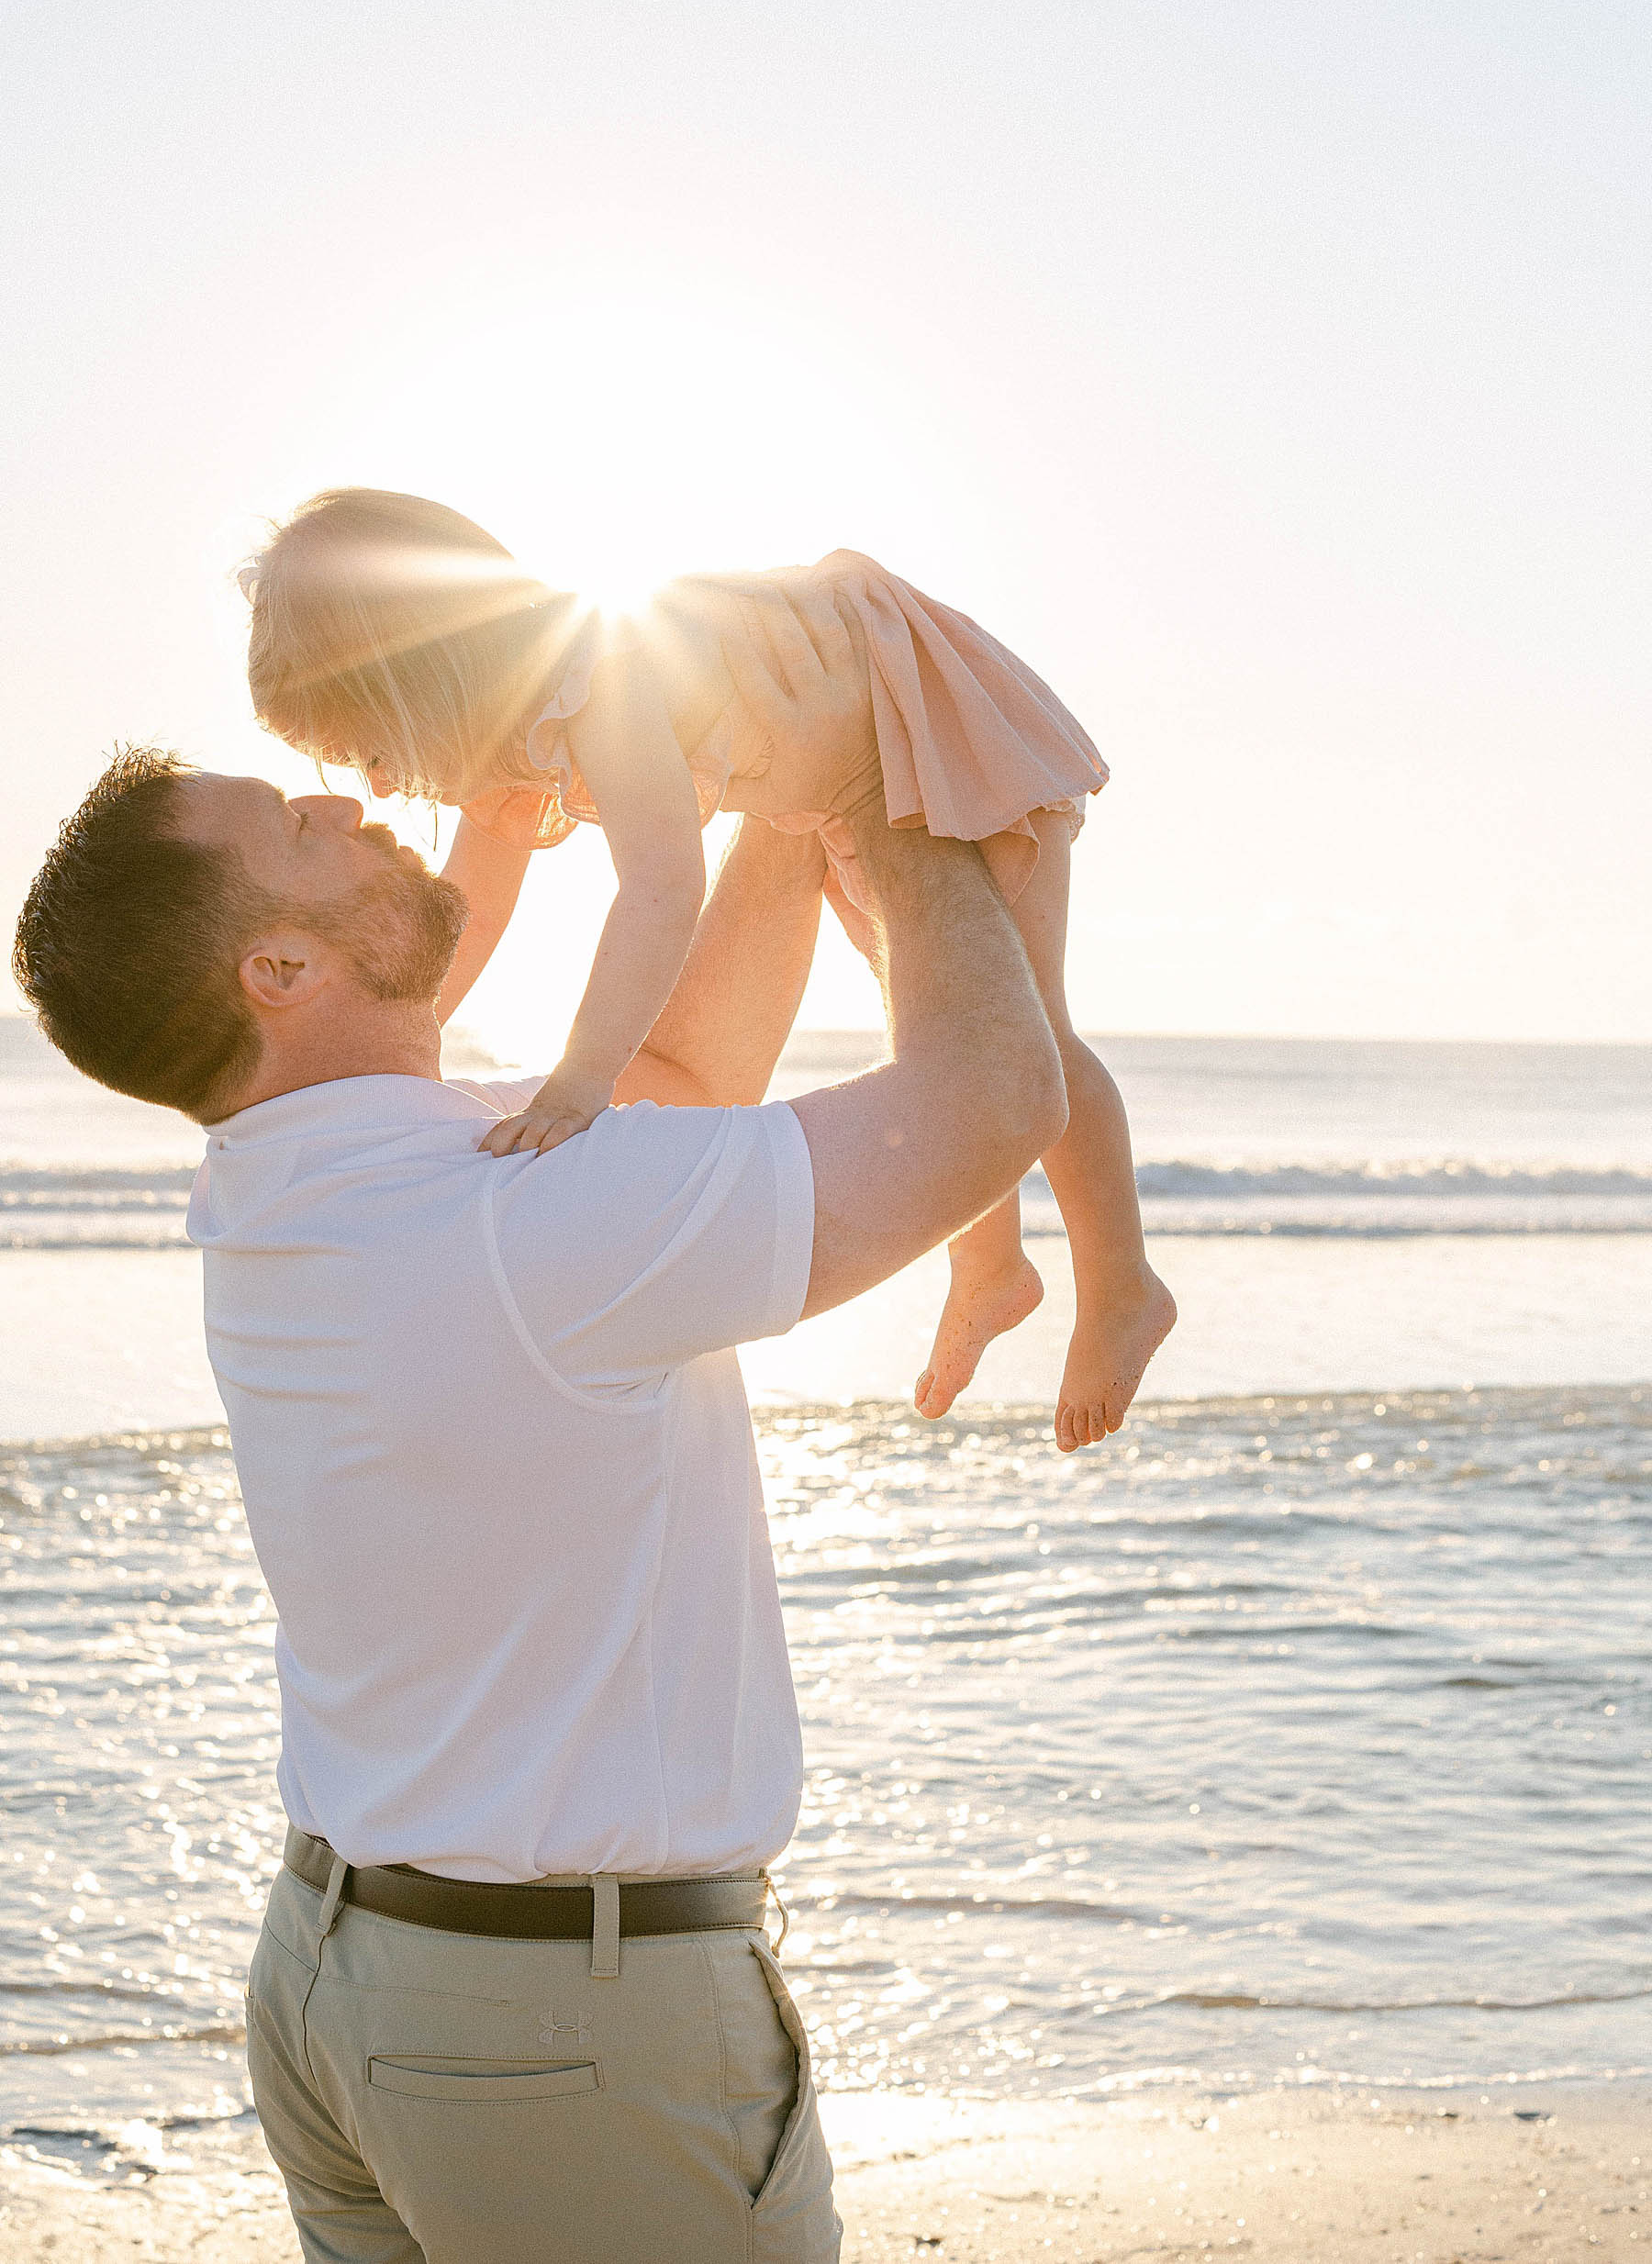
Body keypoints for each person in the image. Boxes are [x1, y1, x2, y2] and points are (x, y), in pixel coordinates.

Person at [12, 600, 1066, 2264]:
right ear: (276, 971)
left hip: (348, 1987)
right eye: (297, 825)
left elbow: (681, 1079)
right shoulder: (508, 1224)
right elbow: (995, 1099)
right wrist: (876, 795)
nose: (348, 801)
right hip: (555, 2039)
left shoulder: (288, 1188)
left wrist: (781, 826)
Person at [241, 486, 1174, 1448]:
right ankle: (991, 1268)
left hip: (923, 716)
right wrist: (390, 1059)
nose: (380, 786)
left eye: (368, 747)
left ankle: (1122, 1286)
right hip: (844, 764)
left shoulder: (596, 675)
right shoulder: (507, 743)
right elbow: (467, 918)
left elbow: (660, 888)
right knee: (925, 1011)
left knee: (1029, 1029)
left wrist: (580, 1079)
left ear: (423, 671)